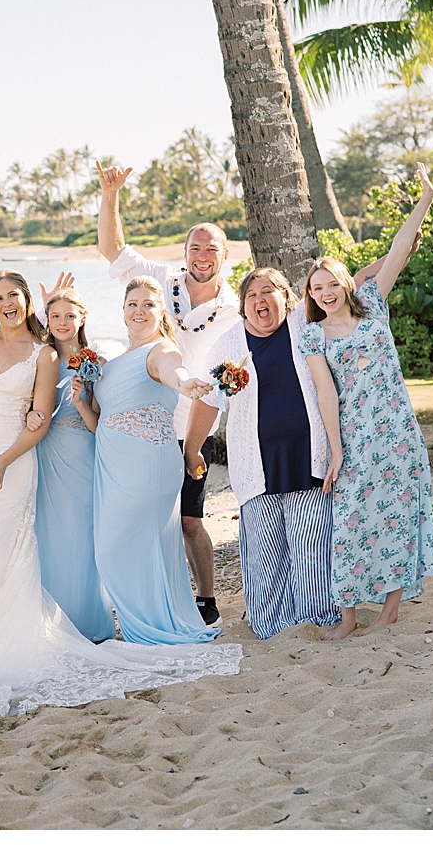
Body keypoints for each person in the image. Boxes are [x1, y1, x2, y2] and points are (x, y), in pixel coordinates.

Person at [0, 188, 243, 721]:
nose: (8, 304)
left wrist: (14, 449)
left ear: (25, 304)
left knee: (13, 553)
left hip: (12, 463)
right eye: (0, 297)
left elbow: (47, 414)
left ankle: (19, 635)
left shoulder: (44, 356)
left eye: (16, 296)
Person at [96, 165, 241, 627]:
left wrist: (197, 443)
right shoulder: (162, 281)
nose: (202, 255)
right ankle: (143, 596)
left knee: (189, 520)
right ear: (184, 252)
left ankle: (204, 596)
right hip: (143, 420)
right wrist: (111, 193)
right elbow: (112, 250)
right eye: (195, 247)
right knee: (141, 517)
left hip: (192, 424)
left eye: (211, 248)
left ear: (224, 255)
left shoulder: (234, 309)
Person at [301, 165, 433, 640]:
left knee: (397, 514)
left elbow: (399, 249)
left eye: (331, 284)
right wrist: (336, 452)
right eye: (317, 289)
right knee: (352, 522)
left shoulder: (374, 303)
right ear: (313, 296)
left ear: (345, 284)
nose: (326, 293)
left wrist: (425, 197)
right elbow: (325, 392)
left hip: (398, 429)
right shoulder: (312, 335)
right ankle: (347, 616)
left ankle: (390, 611)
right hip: (357, 437)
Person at [188, 268, 343, 641]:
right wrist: (192, 449)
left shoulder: (302, 321)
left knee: (311, 547)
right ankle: (272, 628)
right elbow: (209, 400)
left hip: (309, 458)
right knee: (266, 553)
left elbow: (349, 286)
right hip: (256, 466)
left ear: (285, 297)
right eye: (251, 294)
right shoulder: (228, 344)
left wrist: (398, 253)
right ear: (242, 306)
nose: (260, 299)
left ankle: (317, 619)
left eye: (268, 291)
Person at [90, 277, 224, 645]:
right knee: (127, 547)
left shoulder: (162, 350)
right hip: (113, 466)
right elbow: (100, 418)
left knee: (114, 549)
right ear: (122, 311)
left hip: (146, 465)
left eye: (148, 304)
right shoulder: (115, 361)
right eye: (132, 304)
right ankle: (151, 623)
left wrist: (184, 384)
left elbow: (173, 372)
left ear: (161, 310)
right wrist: (81, 395)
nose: (139, 311)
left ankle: (151, 628)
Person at [31, 281, 115, 642]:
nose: (62, 322)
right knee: (47, 536)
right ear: (46, 319)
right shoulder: (39, 357)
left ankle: (89, 623)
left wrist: (82, 402)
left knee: (82, 536)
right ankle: (53, 625)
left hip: (82, 456)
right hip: (45, 455)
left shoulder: (98, 362)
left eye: (69, 315)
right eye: (55, 315)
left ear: (83, 318)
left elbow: (100, 426)